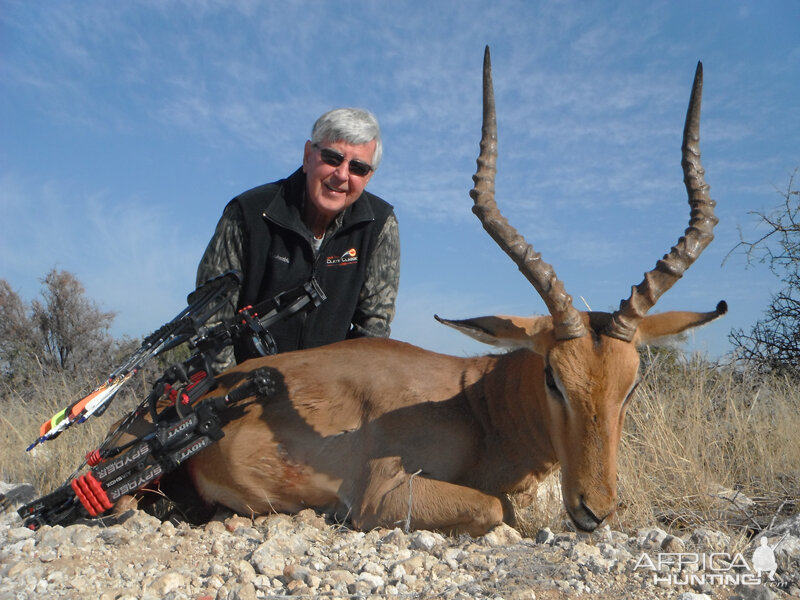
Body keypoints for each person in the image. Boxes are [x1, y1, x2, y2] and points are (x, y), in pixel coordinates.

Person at [197, 107, 400, 371]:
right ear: (308, 156)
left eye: (358, 168)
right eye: (332, 157)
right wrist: (233, 391)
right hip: (240, 389)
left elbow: (373, 329)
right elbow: (210, 319)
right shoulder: (248, 212)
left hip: (326, 396)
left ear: (368, 177)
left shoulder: (380, 224)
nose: (342, 175)